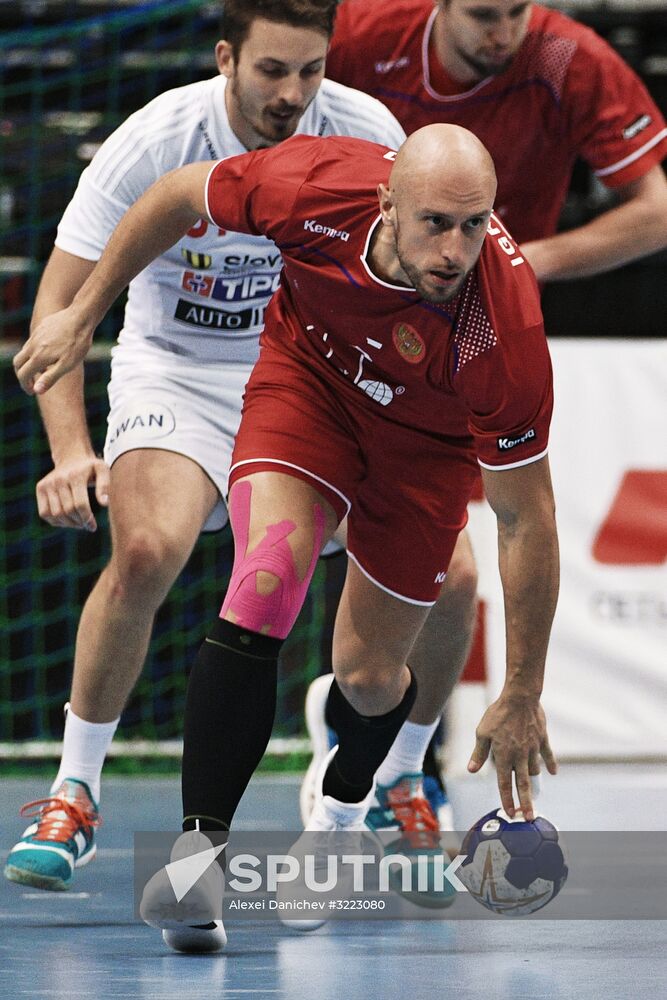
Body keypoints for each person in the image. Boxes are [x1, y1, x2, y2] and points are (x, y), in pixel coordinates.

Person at [14, 122, 560, 952]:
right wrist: (83, 315)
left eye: (475, 224)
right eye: (435, 224)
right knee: (264, 580)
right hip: (309, 388)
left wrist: (521, 690)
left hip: (426, 452)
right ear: (385, 205)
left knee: (371, 677)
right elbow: (172, 194)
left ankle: (339, 819)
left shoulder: (500, 332)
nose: (456, 248)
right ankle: (199, 865)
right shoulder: (314, 186)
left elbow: (524, 518)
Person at [3, 0, 410, 897]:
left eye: (310, 71)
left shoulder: (367, 132)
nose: (293, 94)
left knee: (431, 569)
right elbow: (62, 310)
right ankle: (74, 791)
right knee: (148, 548)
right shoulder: (156, 140)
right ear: (227, 57)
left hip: (306, 374)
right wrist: (70, 451)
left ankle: (389, 765)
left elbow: (409, 273)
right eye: (272, 71)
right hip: (176, 371)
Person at [308, 0, 667, 821]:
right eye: (480, 14)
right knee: (330, 525)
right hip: (352, 310)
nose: (500, 32)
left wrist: (519, 257)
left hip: (473, 337)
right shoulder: (365, 35)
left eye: (514, 10)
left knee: (450, 563)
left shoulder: (562, 60)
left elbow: (655, 209)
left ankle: (399, 754)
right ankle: (366, 731)